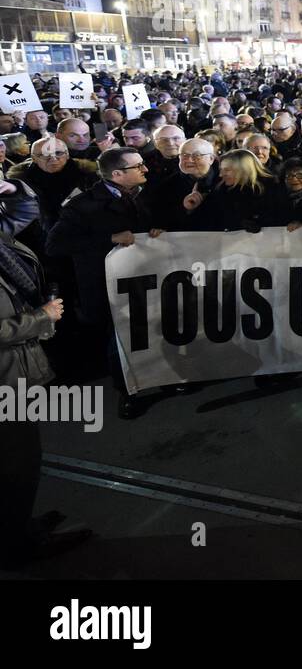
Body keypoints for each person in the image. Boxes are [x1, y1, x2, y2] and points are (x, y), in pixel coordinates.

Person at [0, 178, 92, 568]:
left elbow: (23, 212)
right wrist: (40, 317)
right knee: (15, 466)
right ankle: (16, 546)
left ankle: (18, 527)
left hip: (13, 372)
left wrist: (12, 188)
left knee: (18, 462)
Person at [45, 147, 161, 420]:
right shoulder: (81, 205)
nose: (145, 169)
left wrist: (157, 231)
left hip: (147, 278)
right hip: (108, 286)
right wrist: (109, 239)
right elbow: (55, 245)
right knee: (119, 340)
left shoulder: (143, 193)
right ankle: (127, 393)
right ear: (118, 174)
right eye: (138, 166)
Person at [195, 149, 290, 232]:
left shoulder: (273, 188)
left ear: (244, 170)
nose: (221, 175)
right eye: (221, 169)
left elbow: (282, 217)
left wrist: (258, 222)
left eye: (227, 170)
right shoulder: (220, 190)